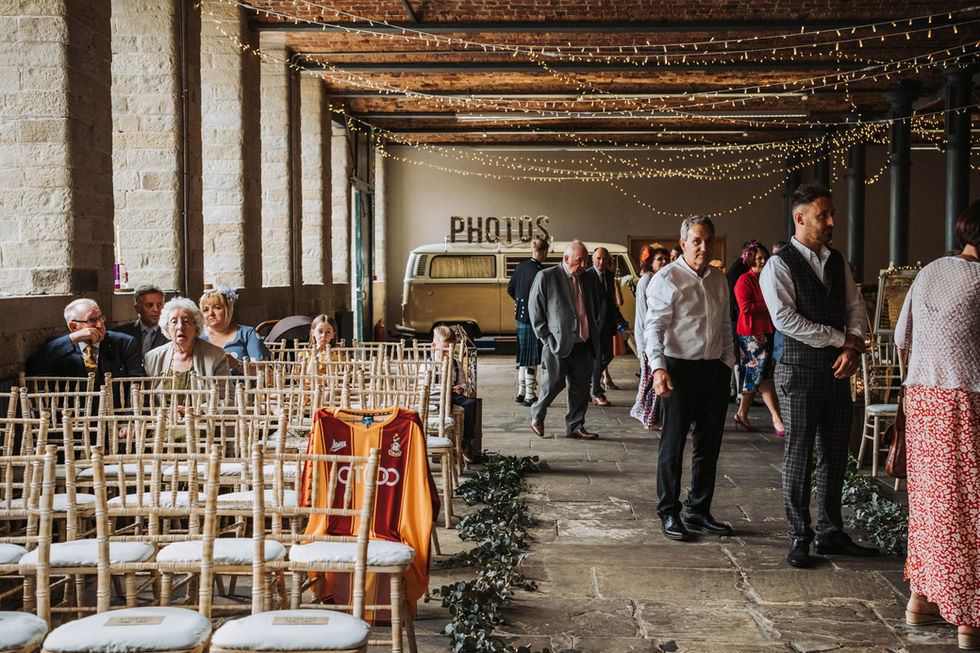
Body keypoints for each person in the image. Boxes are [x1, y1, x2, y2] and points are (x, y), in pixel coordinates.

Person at [759, 184, 877, 569]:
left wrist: (853, 344)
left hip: (838, 371)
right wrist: (842, 339)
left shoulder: (836, 258)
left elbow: (854, 304)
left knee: (834, 456)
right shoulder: (779, 265)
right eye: (823, 215)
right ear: (800, 218)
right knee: (799, 456)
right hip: (799, 373)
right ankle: (799, 535)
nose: (831, 222)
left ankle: (830, 531)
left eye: (831, 214)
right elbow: (786, 321)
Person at [896, 202, 980, 648]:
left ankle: (922, 598)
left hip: (922, 399)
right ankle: (970, 618)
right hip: (966, 400)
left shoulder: (929, 271)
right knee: (970, 503)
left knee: (931, 502)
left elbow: (899, 337)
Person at [645, 216, 735, 541]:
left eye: (708, 240)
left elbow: (726, 324)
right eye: (696, 240)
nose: (703, 246)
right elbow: (653, 328)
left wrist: (728, 363)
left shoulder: (719, 279)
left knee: (708, 447)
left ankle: (698, 508)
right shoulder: (666, 278)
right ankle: (668, 511)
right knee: (673, 444)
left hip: (714, 371)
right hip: (678, 370)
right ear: (683, 243)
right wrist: (658, 368)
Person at [528, 240, 602, 440]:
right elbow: (535, 310)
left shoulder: (588, 278)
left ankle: (575, 426)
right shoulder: (546, 277)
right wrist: (546, 338)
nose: (584, 265)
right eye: (580, 261)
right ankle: (537, 414)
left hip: (584, 342)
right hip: (557, 343)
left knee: (580, 388)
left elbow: (593, 306)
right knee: (553, 384)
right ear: (566, 258)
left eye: (586, 261)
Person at [26, 298, 145, 386]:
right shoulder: (61, 347)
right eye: (92, 320)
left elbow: (135, 384)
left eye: (100, 317)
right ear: (73, 326)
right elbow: (33, 367)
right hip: (73, 414)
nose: (100, 325)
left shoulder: (124, 343)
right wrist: (72, 338)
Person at [733, 243, 785, 435]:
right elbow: (746, 308)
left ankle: (743, 414)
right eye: (758, 258)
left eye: (764, 257)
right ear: (750, 260)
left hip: (766, 330)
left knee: (763, 375)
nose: (762, 261)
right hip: (750, 334)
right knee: (756, 374)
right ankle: (775, 418)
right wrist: (770, 304)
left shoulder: (767, 278)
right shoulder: (743, 280)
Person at [144, 297, 231, 382]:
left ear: (196, 329)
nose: (180, 327)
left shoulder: (216, 356)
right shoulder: (152, 358)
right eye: (174, 322)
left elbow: (227, 395)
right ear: (167, 330)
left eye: (186, 321)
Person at [631, 246, 669, 430]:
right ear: (650, 262)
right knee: (649, 380)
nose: (663, 262)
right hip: (647, 339)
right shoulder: (647, 280)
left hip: (657, 339)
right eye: (659, 259)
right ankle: (648, 418)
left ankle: (651, 416)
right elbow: (647, 314)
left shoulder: (660, 279)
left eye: (665, 259)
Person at [507, 238, 549, 406]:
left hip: (520, 318)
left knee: (524, 357)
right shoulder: (540, 272)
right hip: (534, 319)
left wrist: (521, 302)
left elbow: (510, 288)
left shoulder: (520, 267)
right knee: (531, 358)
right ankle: (530, 396)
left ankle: (521, 392)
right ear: (545, 251)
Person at [199, 285, 270, 375]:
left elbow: (263, 369)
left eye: (217, 308)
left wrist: (236, 364)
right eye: (206, 310)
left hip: (243, 388)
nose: (211, 313)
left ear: (228, 309)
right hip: (208, 388)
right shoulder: (198, 338)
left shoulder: (247, 334)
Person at [431, 326, 478, 461]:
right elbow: (424, 386)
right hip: (436, 395)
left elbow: (463, 382)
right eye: (445, 350)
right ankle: (442, 437)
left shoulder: (456, 363)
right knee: (446, 402)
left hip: (453, 393)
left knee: (470, 404)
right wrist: (442, 389)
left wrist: (461, 388)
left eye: (452, 350)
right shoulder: (429, 364)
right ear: (434, 346)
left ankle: (466, 442)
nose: (448, 354)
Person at [586, 247, 620, 407]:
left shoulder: (609, 275)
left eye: (605, 259)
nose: (601, 262)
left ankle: (587, 382)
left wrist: (619, 319)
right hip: (592, 325)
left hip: (607, 324)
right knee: (598, 358)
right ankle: (597, 392)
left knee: (608, 355)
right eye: (598, 258)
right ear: (592, 259)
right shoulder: (587, 276)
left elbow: (611, 301)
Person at [112, 284, 169, 357]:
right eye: (149, 305)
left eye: (159, 305)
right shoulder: (122, 333)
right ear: (137, 308)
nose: (156, 310)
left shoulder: (171, 334)